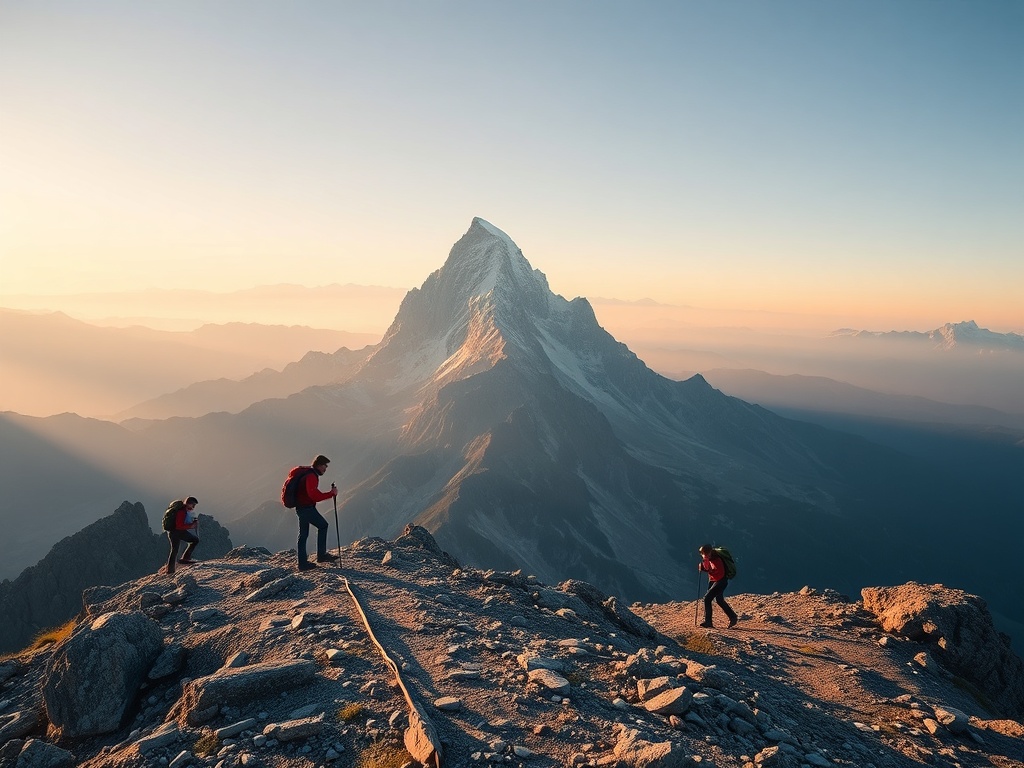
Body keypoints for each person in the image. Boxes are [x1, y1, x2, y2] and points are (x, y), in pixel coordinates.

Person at [294, 454, 339, 571]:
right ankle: (321, 556)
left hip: (301, 507)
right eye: (325, 466)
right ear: (319, 465)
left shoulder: (309, 473)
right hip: (307, 508)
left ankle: (303, 563)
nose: (325, 468)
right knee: (323, 526)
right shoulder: (311, 476)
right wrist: (331, 494)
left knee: (303, 535)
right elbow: (314, 495)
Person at [698, 544, 738, 628]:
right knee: (719, 600)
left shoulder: (717, 559)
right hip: (714, 580)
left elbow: (720, 573)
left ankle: (708, 622)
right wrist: (704, 567)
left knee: (707, 599)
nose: (705, 555)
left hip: (721, 581)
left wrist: (707, 570)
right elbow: (709, 568)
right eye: (704, 554)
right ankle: (733, 617)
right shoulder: (708, 558)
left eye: (706, 554)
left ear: (710, 552)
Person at [165, 496, 200, 575]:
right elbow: (179, 525)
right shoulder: (181, 511)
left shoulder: (184, 511)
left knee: (194, 540)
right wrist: (191, 526)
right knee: (175, 549)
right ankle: (170, 570)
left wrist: (192, 522)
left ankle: (184, 559)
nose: (193, 507)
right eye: (193, 505)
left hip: (178, 532)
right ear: (188, 503)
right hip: (175, 532)